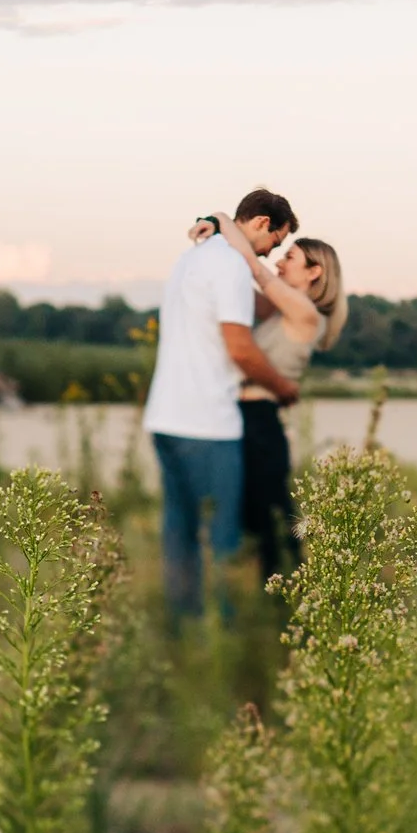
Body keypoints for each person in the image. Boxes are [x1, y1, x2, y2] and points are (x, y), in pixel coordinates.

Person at [142, 187, 301, 623]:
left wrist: (218, 220)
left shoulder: (191, 257)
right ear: (262, 223)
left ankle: (183, 627)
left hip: (164, 418)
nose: (272, 254)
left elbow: (263, 310)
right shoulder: (230, 266)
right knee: (221, 538)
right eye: (277, 241)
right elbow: (241, 349)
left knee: (180, 534)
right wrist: (282, 386)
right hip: (207, 423)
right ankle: (219, 631)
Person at [190, 217, 345, 582]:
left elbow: (253, 267)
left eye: (288, 256)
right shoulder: (280, 310)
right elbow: (237, 283)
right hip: (246, 418)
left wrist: (220, 220)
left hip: (260, 422)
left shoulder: (306, 314)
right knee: (259, 521)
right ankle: (277, 602)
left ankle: (289, 604)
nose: (278, 262)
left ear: (314, 272)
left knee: (273, 524)